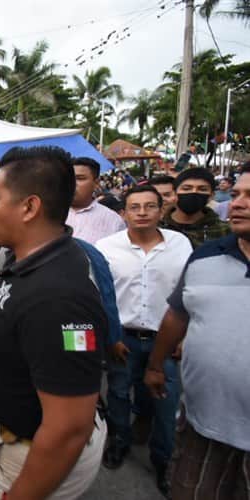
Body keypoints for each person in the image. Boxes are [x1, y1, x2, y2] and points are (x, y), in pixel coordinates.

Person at [0, 146, 107, 499]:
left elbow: (68, 427)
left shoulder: (63, 299)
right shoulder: (21, 257)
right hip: (14, 435)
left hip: (33, 454)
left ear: (30, 207)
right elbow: (20, 319)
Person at [145, 165, 250, 499]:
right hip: (202, 421)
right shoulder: (205, 257)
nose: (237, 204)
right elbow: (177, 314)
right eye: (235, 195)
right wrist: (156, 365)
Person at [95, 185, 192, 497]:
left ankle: (163, 460)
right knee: (119, 394)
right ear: (123, 213)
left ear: (161, 211)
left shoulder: (180, 244)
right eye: (134, 207)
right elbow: (100, 295)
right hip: (122, 336)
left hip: (166, 338)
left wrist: (184, 336)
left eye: (149, 206)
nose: (142, 213)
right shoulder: (107, 247)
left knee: (166, 400)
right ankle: (119, 442)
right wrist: (110, 337)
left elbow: (188, 293)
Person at [160, 167, 231, 248]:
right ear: (175, 193)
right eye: (186, 188)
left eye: (202, 189)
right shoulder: (156, 228)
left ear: (211, 196)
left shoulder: (224, 231)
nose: (194, 192)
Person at [66, 157, 126, 244]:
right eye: (67, 178)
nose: (72, 183)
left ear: (96, 183)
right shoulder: (45, 215)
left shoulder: (113, 221)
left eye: (80, 178)